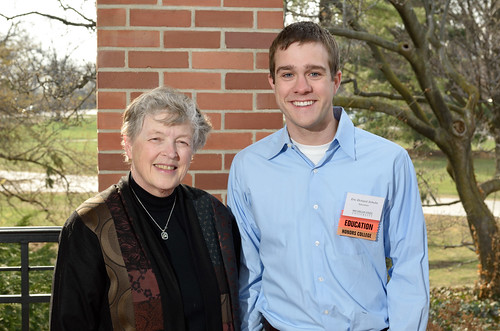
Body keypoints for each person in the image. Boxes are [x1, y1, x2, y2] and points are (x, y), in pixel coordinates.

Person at [227, 21, 429, 331]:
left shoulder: (389, 162)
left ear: (335, 81)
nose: (301, 87)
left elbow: (409, 269)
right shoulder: (249, 167)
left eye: (314, 73)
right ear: (273, 83)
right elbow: (248, 273)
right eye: (288, 74)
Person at [50, 86, 241, 331]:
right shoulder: (90, 225)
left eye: (181, 142)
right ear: (128, 146)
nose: (170, 153)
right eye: (156, 139)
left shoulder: (214, 215)